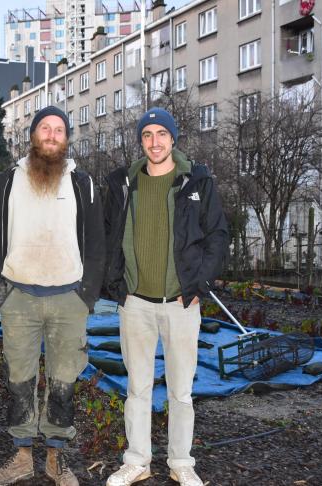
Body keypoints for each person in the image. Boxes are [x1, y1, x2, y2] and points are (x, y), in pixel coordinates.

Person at [0, 106, 105, 486]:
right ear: (32, 136)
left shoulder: (82, 184)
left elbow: (97, 243)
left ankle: (54, 458)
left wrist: (88, 294)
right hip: (20, 298)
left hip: (70, 299)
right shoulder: (5, 183)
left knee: (64, 380)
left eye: (59, 130)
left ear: (67, 139)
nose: (52, 135)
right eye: (45, 128)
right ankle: (20, 457)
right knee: (19, 378)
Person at [102, 107, 228, 486]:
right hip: (136, 303)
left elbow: (218, 236)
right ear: (141, 141)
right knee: (137, 388)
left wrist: (198, 285)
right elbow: (108, 235)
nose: (155, 141)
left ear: (173, 139)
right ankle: (137, 461)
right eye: (147, 135)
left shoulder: (197, 182)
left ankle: (181, 463)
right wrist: (117, 287)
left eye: (162, 134)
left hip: (180, 304)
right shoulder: (124, 184)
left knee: (181, 391)